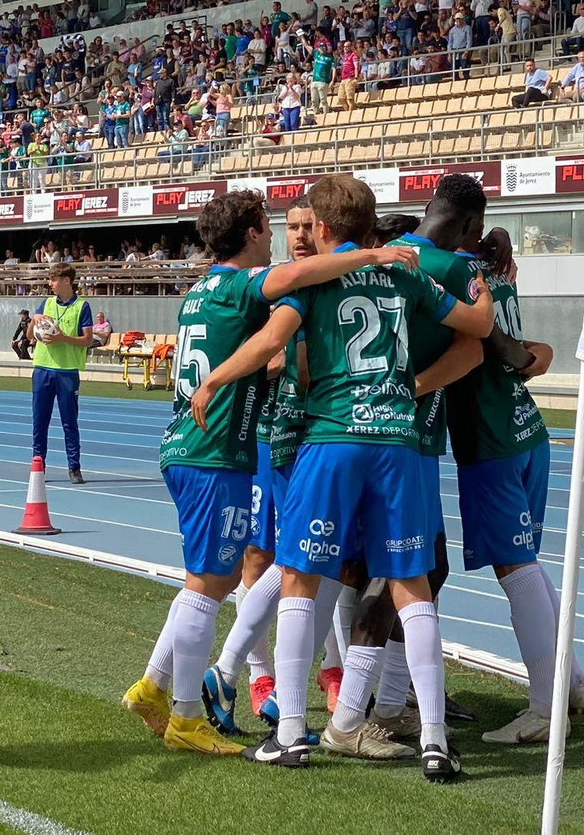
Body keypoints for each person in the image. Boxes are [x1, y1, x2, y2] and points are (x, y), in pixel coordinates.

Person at [190, 175, 494, 779]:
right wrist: (483, 293)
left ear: (323, 229)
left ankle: (292, 732)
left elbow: (273, 341)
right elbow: (477, 329)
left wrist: (216, 378)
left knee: (300, 576)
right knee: (412, 584)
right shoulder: (407, 274)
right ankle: (433, 738)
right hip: (399, 440)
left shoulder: (319, 279)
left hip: (331, 437)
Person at [122, 189, 424, 757]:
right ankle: (190, 710)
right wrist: (373, 256)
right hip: (221, 452)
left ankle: (157, 685)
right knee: (217, 581)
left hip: (202, 448)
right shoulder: (244, 285)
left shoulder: (199, 290)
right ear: (256, 230)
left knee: (222, 576)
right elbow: (286, 305)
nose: (289, 235)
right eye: (278, 225)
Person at [319, 174, 493, 762]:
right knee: (400, 574)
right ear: (469, 226)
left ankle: (374, 704)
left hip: (343, 428)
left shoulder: (379, 258)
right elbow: (477, 342)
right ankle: (356, 713)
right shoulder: (445, 267)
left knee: (363, 569)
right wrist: (414, 388)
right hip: (404, 440)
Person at [451, 228, 584, 744]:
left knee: (517, 569)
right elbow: (528, 351)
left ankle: (544, 707)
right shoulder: (495, 277)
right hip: (526, 430)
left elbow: (484, 350)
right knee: (528, 565)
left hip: (491, 440)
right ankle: (571, 682)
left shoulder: (456, 278)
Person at [200, 195, 317, 734]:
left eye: (304, 226)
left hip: (308, 436)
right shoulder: (270, 285)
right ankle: (255, 675)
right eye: (288, 226)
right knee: (267, 555)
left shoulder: (310, 279)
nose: (296, 235)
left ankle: (317, 675)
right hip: (276, 437)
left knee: (317, 560)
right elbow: (268, 353)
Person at [30, 266, 94, 484]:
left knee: (69, 422)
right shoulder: (46, 304)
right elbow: (31, 334)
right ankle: (38, 465)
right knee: (40, 421)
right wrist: (35, 319)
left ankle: (74, 468)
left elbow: (87, 340)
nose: (50, 284)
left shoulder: (82, 306)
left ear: (66, 280)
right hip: (42, 369)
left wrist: (62, 338)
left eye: (53, 279)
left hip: (67, 372)